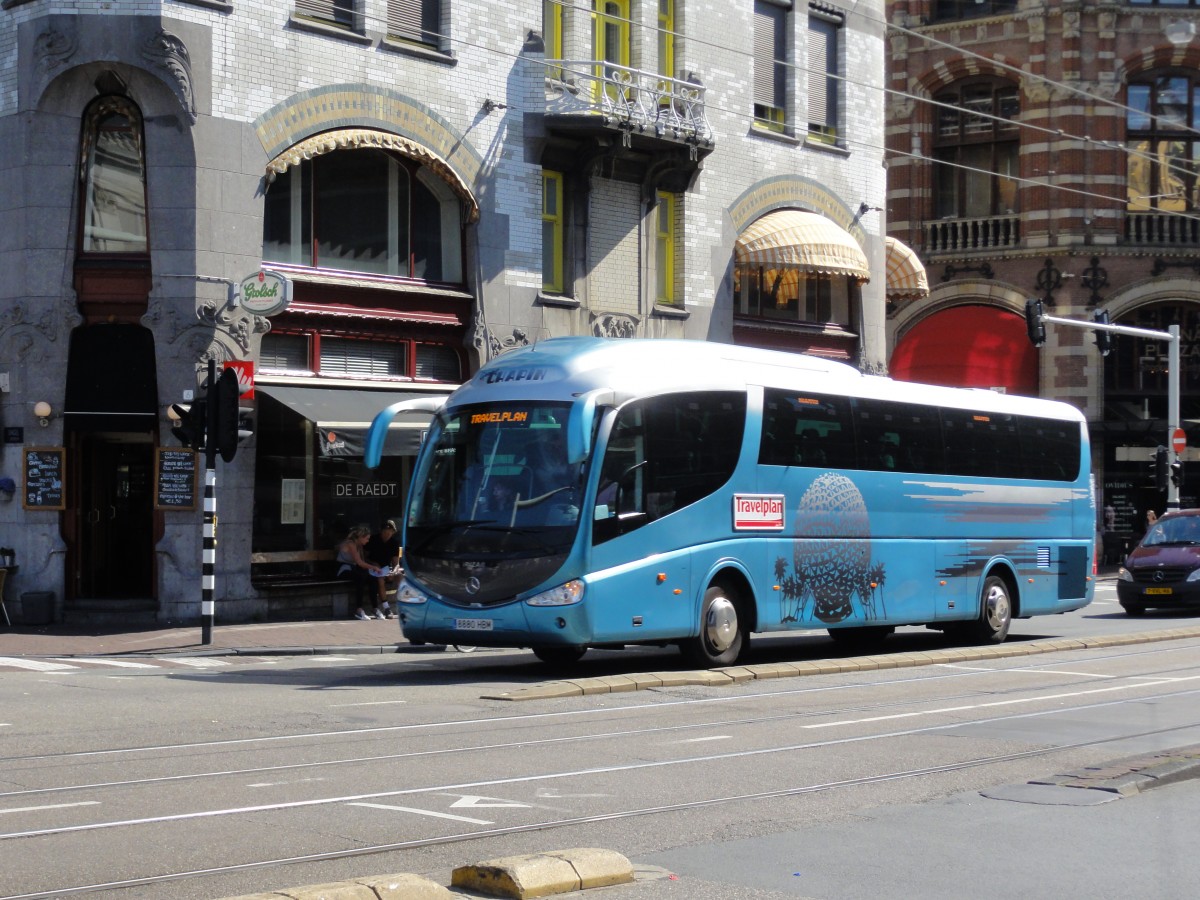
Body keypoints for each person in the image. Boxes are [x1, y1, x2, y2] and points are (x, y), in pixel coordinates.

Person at [336, 524, 385, 621]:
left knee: (372, 578)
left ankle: (375, 608)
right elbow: (359, 562)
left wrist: (373, 569)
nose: (368, 541)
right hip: (343, 569)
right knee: (361, 577)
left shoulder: (359, 545)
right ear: (361, 537)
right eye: (366, 538)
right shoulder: (351, 543)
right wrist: (374, 567)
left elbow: (362, 562)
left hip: (353, 568)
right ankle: (359, 610)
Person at [364, 520, 401, 618]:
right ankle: (386, 608)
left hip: (386, 568)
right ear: (381, 531)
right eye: (385, 532)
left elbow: (396, 563)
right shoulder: (373, 540)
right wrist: (373, 564)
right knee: (380, 580)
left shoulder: (394, 543)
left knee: (401, 576)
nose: (387, 534)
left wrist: (394, 571)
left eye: (390, 532)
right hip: (372, 568)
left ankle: (403, 605)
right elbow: (364, 557)